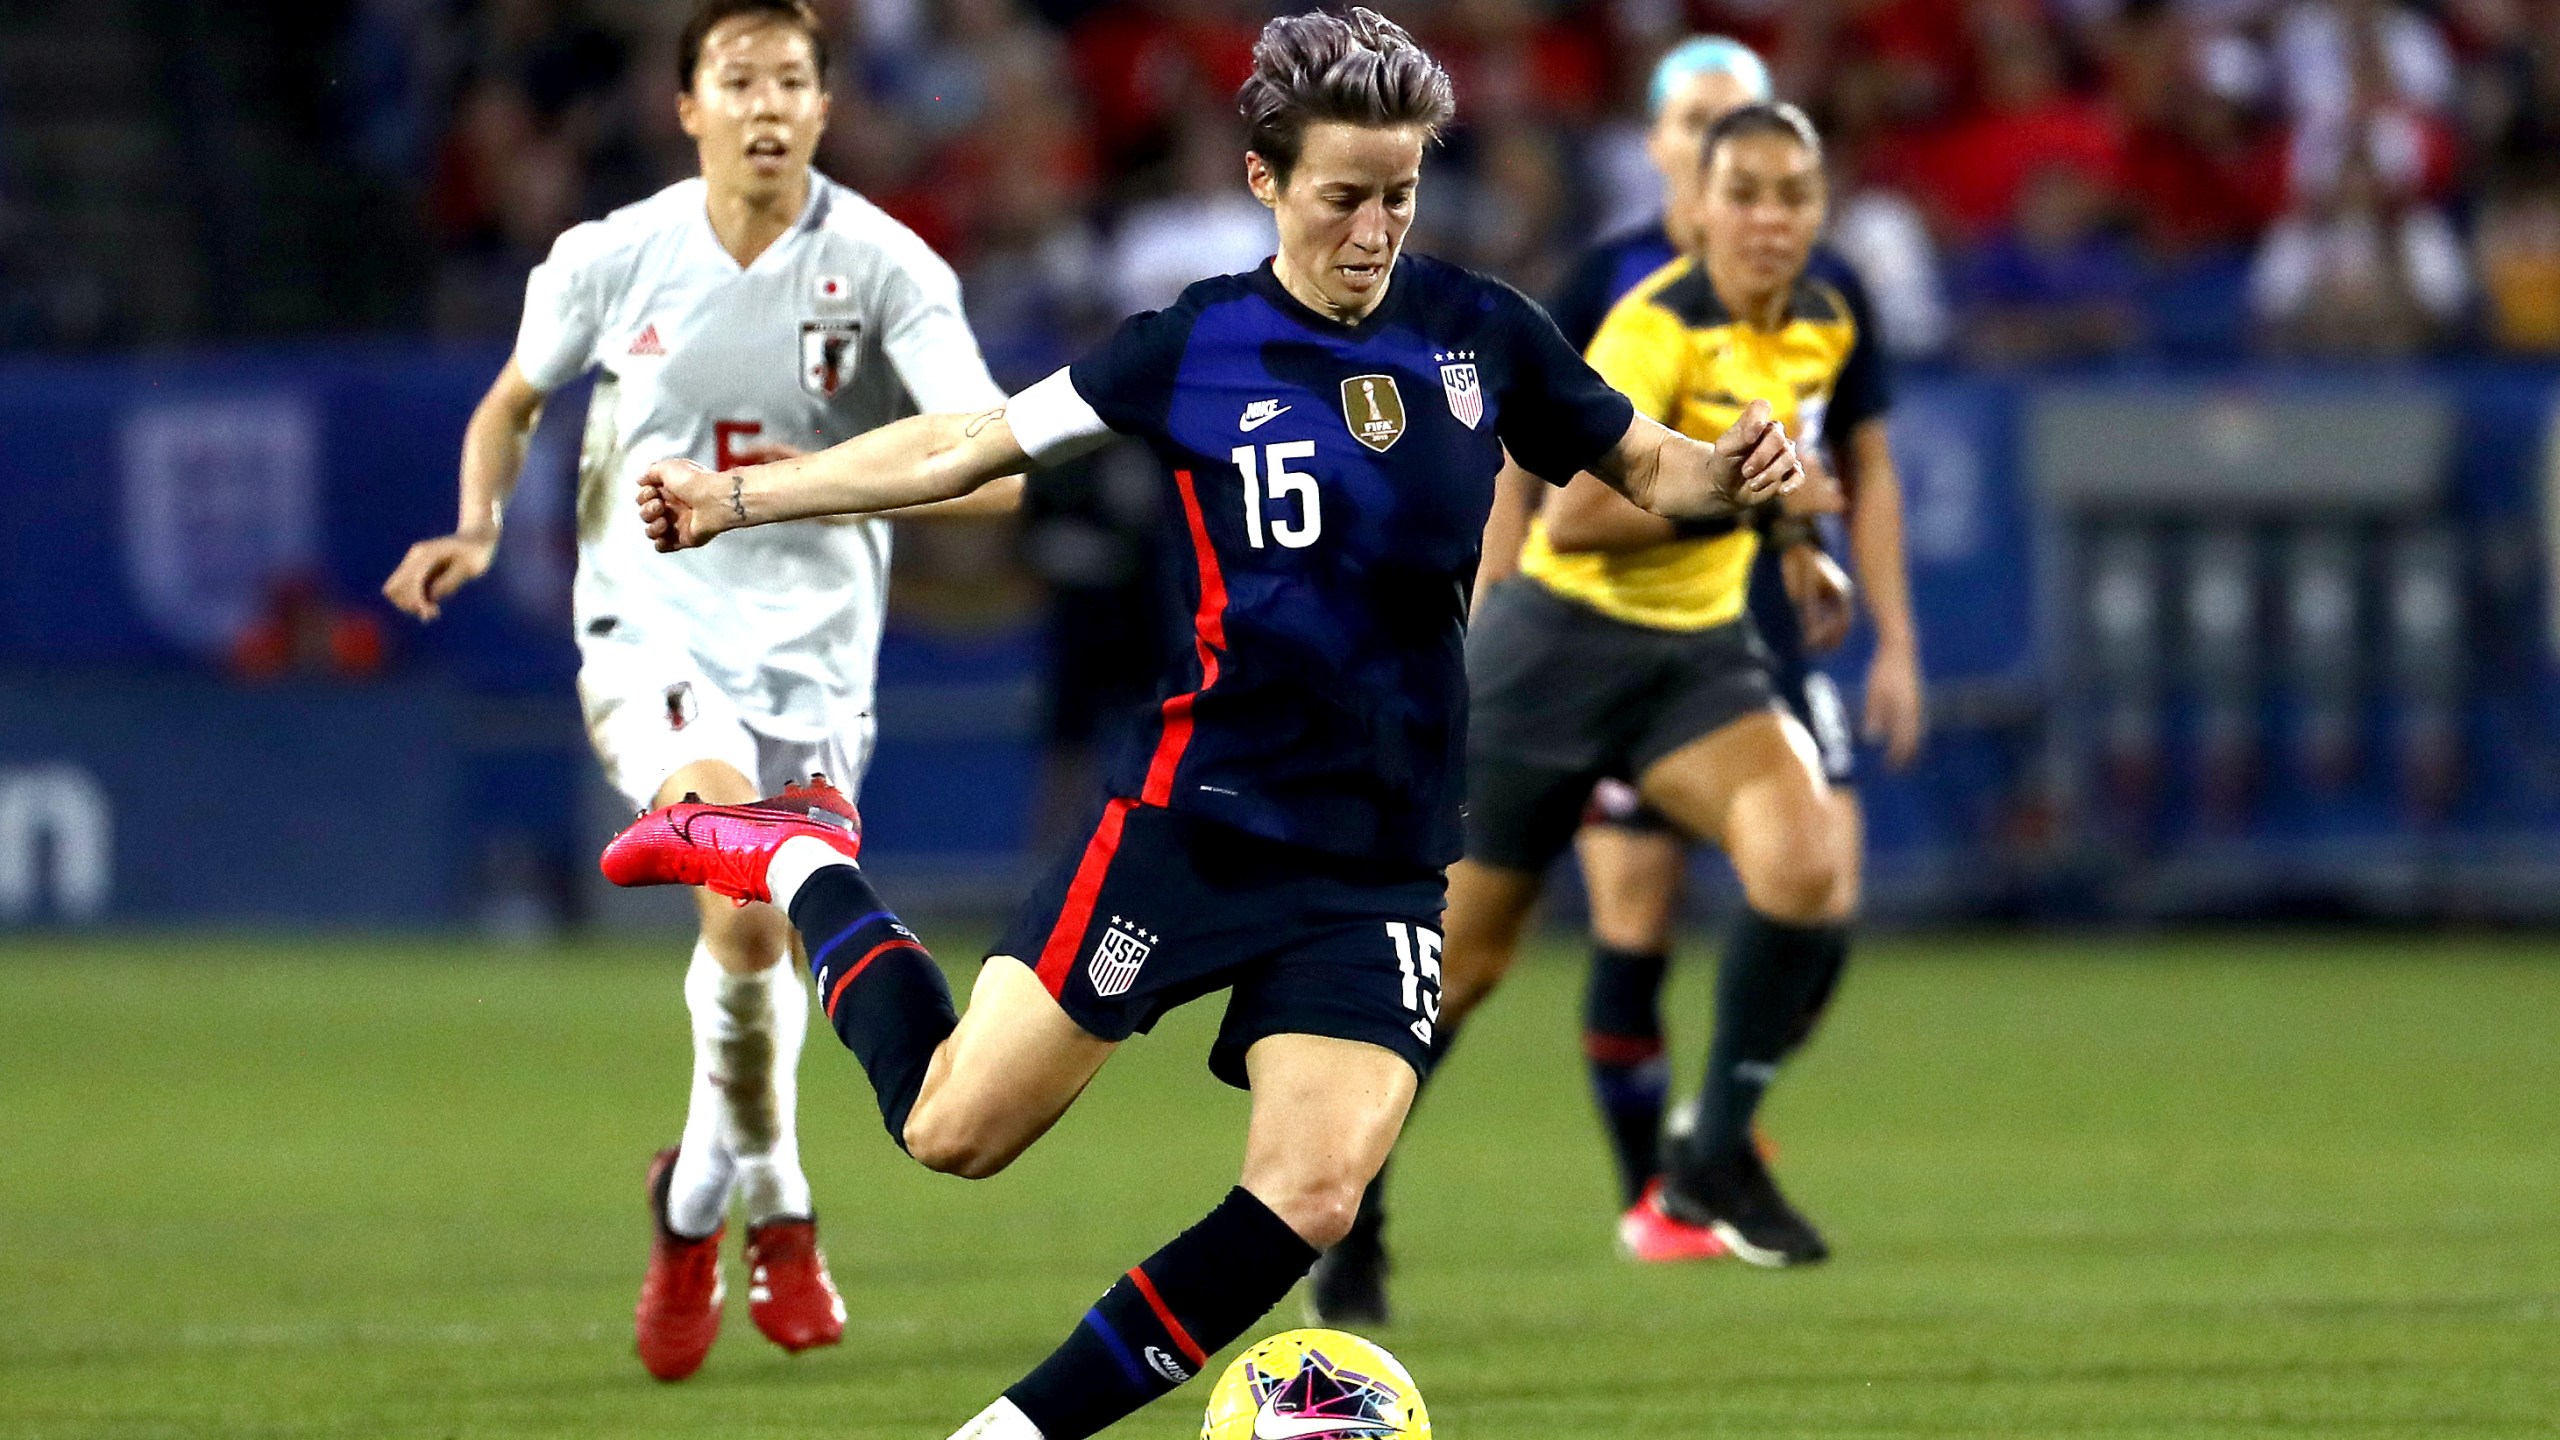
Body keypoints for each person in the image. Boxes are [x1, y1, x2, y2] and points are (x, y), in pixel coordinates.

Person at [599, 12, 1803, 1438]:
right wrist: (744, 494)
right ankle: (803, 860)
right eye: (1343, 196)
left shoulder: (1482, 332)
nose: (1373, 228)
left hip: (1381, 853)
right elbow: (961, 442)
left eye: (1400, 197)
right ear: (1264, 181)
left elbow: (1653, 468)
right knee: (952, 1130)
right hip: (1198, 822)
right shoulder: (1194, 347)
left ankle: (1010, 1434)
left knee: (1312, 1192)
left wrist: (1735, 473)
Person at [381, 0, 1015, 1383]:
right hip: (652, 630)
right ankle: (777, 1206)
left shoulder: (888, 267)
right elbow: (511, 399)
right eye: (739, 79)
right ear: (688, 108)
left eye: (793, 78)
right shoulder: (616, 255)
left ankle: (697, 1202)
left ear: (827, 106)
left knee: (755, 937)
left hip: (818, 660)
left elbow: (998, 454)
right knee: (745, 896)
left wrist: (935, 470)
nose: (768, 103)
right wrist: (480, 524)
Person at [1310, 44, 1924, 1324]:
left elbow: (1778, 465)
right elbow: (1577, 524)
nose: (1768, 219)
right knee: (1462, 968)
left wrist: (1798, 544)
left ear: (1821, 211)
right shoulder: (1649, 321)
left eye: (1791, 196)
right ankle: (1345, 1210)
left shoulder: (1822, 319)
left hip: (1695, 660)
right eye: (1743, 193)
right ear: (1695, 205)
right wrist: (1755, 507)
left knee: (1806, 864)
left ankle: (1704, 1161)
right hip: (1558, 656)